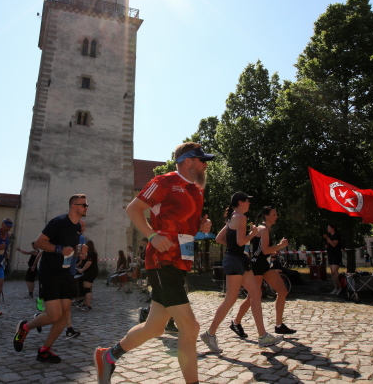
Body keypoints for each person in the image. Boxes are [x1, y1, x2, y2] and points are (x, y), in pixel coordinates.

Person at [94, 142, 214, 384]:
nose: (205, 165)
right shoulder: (164, 182)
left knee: (155, 328)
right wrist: (151, 235)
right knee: (190, 327)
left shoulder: (197, 190)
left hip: (181, 262)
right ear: (188, 160)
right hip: (162, 261)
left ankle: (108, 356)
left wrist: (202, 227)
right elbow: (133, 209)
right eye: (202, 160)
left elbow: (187, 226)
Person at [201, 192, 281, 354]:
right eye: (247, 201)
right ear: (240, 202)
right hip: (236, 261)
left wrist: (234, 246)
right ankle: (209, 334)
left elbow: (218, 239)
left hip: (239, 260)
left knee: (256, 294)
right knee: (230, 299)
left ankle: (262, 336)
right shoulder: (241, 218)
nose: (249, 203)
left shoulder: (233, 217)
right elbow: (240, 241)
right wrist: (252, 233)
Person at [13, 194, 87, 364]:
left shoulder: (77, 227)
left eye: (87, 204)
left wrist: (80, 251)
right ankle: (25, 327)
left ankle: (45, 350)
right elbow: (39, 243)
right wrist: (59, 249)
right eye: (84, 204)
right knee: (54, 315)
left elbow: (71, 251)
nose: (86, 207)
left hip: (66, 274)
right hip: (50, 273)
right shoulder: (58, 222)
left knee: (64, 314)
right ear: (73, 206)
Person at [230, 206, 296, 338]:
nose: (276, 216)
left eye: (276, 214)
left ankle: (279, 325)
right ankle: (236, 322)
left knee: (282, 291)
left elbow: (263, 250)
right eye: (274, 214)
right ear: (266, 216)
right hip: (256, 266)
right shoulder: (263, 229)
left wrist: (273, 251)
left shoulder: (265, 229)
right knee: (252, 297)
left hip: (265, 265)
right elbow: (265, 250)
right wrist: (281, 245)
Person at [78, 239, 99, 311]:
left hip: (90, 271)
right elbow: (83, 261)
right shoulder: (90, 252)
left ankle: (88, 305)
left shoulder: (91, 253)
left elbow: (89, 262)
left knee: (87, 289)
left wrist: (82, 270)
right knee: (85, 288)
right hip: (90, 271)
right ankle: (85, 303)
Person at [323, 224, 343, 295]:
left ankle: (340, 287)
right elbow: (329, 245)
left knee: (335, 271)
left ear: (333, 228)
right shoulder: (330, 236)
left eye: (328, 227)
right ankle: (335, 288)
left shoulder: (336, 236)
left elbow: (334, 244)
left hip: (336, 255)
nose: (327, 229)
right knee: (332, 272)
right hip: (330, 255)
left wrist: (327, 238)